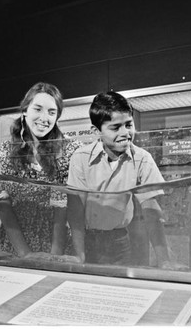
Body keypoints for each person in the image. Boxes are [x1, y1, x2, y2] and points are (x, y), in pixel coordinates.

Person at [66, 91, 175, 268]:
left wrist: (164, 260)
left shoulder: (143, 158)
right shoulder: (80, 158)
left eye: (129, 125)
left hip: (121, 240)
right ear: (96, 131)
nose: (125, 133)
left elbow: (151, 210)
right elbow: (75, 210)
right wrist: (79, 255)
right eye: (116, 127)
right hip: (86, 239)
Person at [0, 82, 82, 260]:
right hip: (16, 241)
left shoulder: (69, 149)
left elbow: (63, 207)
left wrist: (54, 256)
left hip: (56, 240)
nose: (44, 118)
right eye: (38, 109)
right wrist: (25, 253)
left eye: (52, 112)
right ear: (25, 110)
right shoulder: (6, 150)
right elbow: (3, 204)